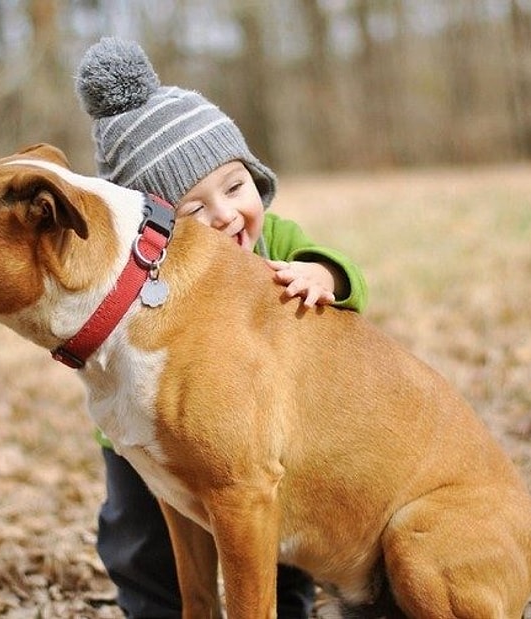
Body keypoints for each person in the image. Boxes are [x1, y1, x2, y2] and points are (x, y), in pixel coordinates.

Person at [74, 37, 368, 618]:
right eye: (193, 209)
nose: (227, 213)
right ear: (157, 229)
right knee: (140, 543)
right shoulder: (147, 278)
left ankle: (286, 607)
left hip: (262, 434)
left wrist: (321, 274)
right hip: (148, 432)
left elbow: (347, 276)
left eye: (234, 187)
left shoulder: (276, 242)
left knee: (266, 536)